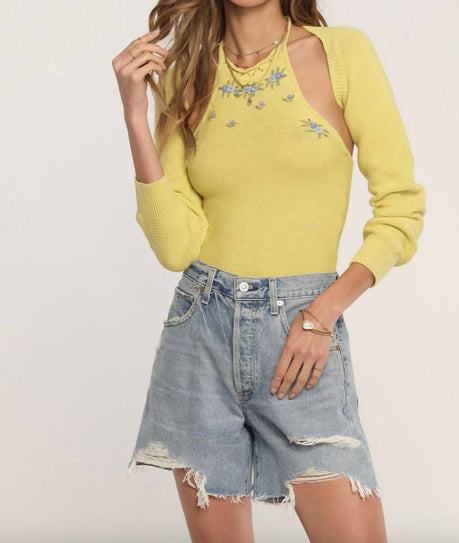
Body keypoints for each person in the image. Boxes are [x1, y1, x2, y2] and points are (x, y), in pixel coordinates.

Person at [113, 1, 426, 541]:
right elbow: (175, 247)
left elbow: (401, 209)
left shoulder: (342, 54)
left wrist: (322, 315)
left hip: (303, 332)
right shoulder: (188, 75)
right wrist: (135, 117)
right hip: (201, 331)